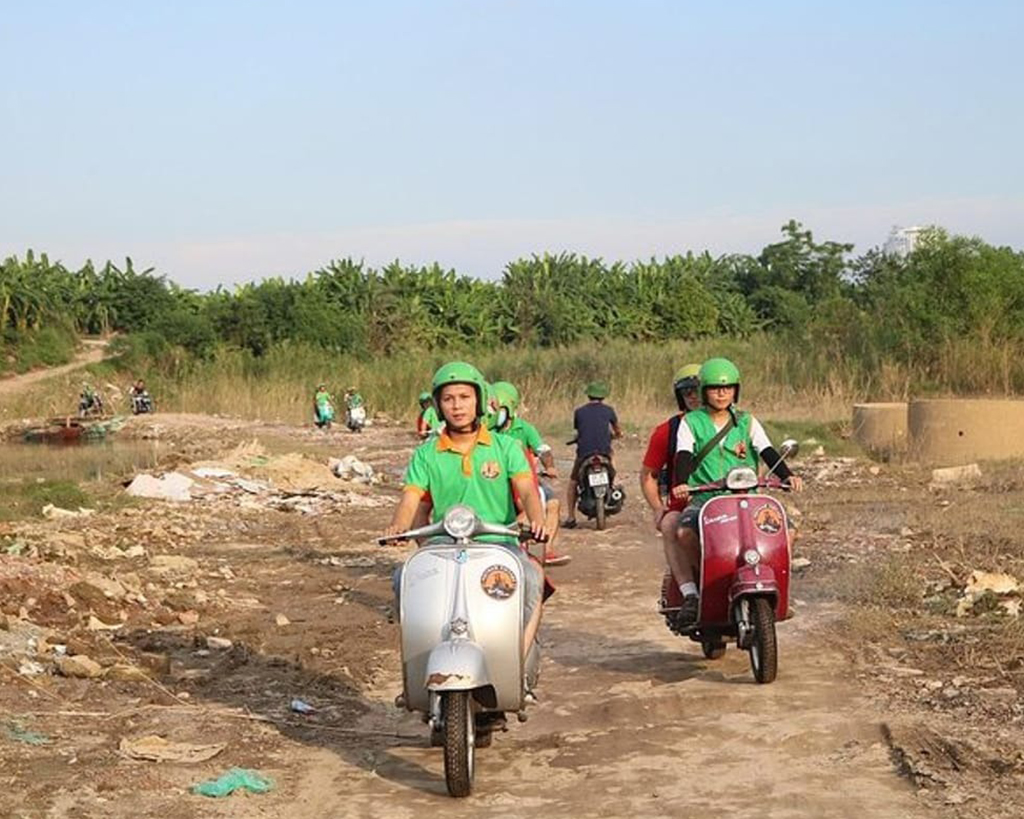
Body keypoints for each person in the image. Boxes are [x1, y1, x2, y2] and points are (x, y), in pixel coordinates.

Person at [384, 362, 549, 654]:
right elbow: (411, 498)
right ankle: (419, 655)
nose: (457, 406)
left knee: (531, 578)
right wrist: (398, 526)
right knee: (403, 577)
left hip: (499, 544)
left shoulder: (505, 447)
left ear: (479, 400)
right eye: (448, 399)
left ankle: (514, 655)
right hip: (444, 544)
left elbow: (527, 490)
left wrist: (537, 521)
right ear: (438, 405)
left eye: (464, 397)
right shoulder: (426, 454)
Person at [669, 358, 804, 630]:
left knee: (788, 531)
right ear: (705, 390)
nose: (722, 393)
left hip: (750, 498)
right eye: (716, 389)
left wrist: (787, 475)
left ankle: (777, 589)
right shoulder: (691, 422)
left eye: (728, 388)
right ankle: (701, 586)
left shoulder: (746, 422)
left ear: (736, 391)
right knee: (684, 533)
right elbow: (683, 454)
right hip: (707, 499)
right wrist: (682, 483)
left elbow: (766, 449)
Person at [639, 364, 701, 608]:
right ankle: (690, 593)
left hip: (727, 499)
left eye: (699, 390)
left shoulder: (737, 423)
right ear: (681, 397)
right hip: (685, 503)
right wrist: (657, 507)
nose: (695, 397)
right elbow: (648, 475)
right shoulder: (667, 431)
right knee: (669, 524)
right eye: (688, 392)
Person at [491, 381, 571, 566]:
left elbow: (543, 450)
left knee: (553, 503)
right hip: (498, 481)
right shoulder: (486, 430)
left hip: (526, 480)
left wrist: (550, 466)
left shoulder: (524, 428)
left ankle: (548, 550)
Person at [563, 381, 622, 529]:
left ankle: (571, 517)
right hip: (604, 453)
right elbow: (617, 430)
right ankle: (613, 482)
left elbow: (578, 430)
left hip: (584, 454)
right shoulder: (609, 410)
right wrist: (618, 435)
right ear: (603, 396)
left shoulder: (579, 412)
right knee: (612, 459)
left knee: (572, 483)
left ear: (588, 395)